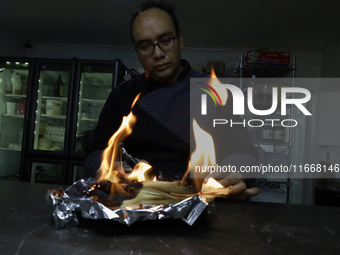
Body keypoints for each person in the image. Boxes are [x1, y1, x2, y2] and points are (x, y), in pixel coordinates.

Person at [85, 0, 259, 200]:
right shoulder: (122, 96)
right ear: (138, 53)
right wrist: (105, 167)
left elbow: (243, 152)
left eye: (165, 40)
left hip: (202, 208)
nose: (158, 54)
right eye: (145, 46)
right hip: (136, 208)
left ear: (180, 41)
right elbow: (94, 151)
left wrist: (237, 173)